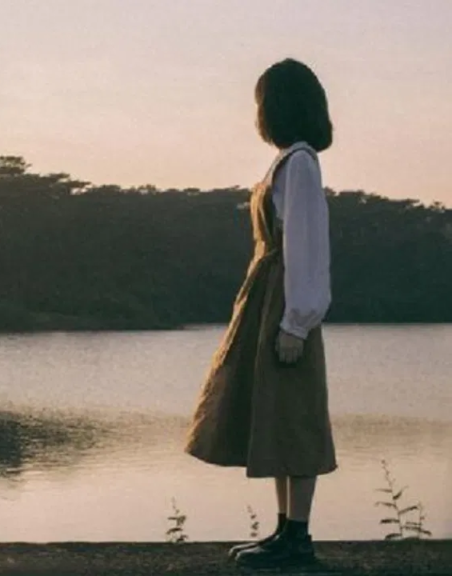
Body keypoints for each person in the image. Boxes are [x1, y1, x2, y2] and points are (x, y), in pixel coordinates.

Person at [183, 58, 336, 570]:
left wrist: (297, 322)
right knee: (274, 413)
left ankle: (298, 539)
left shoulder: (301, 163)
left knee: (295, 413)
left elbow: (307, 247)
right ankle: (283, 530)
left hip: (285, 300)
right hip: (268, 296)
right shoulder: (285, 162)